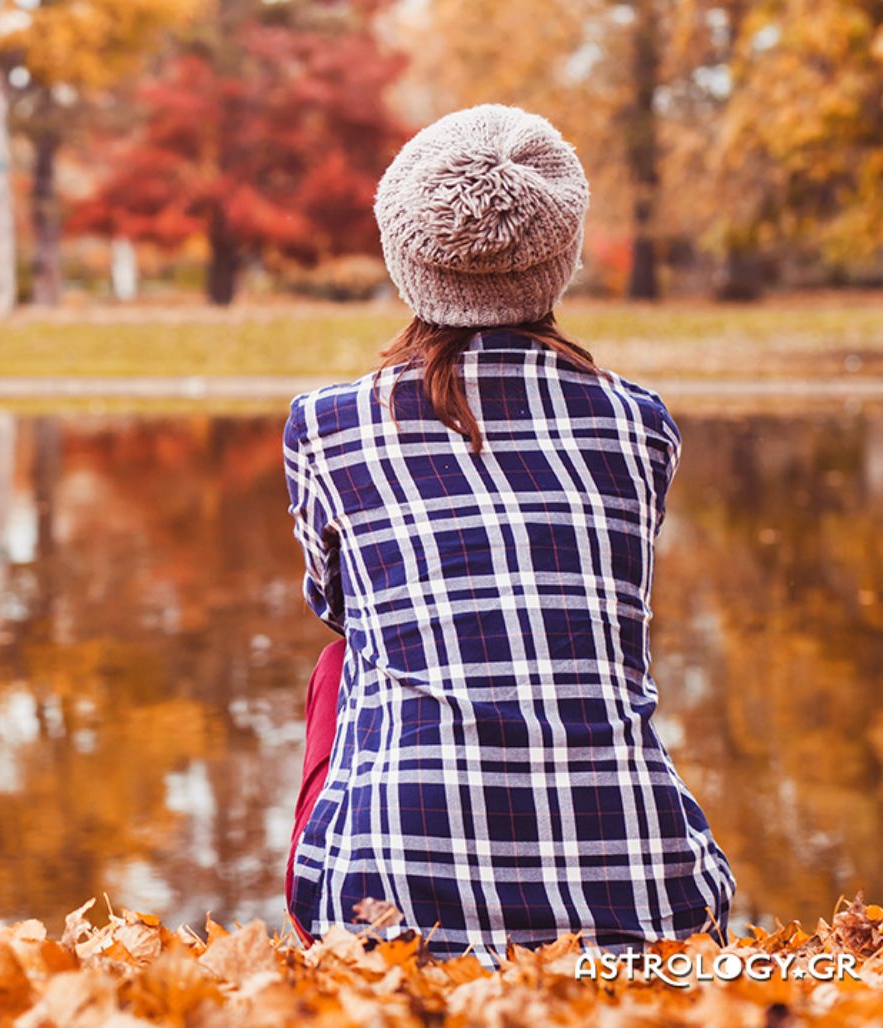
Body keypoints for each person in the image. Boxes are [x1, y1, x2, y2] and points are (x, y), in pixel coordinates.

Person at [281, 103, 735, 965]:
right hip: (650, 890)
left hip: (392, 899)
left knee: (343, 663)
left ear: (403, 256)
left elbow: (337, 609)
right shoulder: (639, 423)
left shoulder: (328, 425)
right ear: (563, 255)